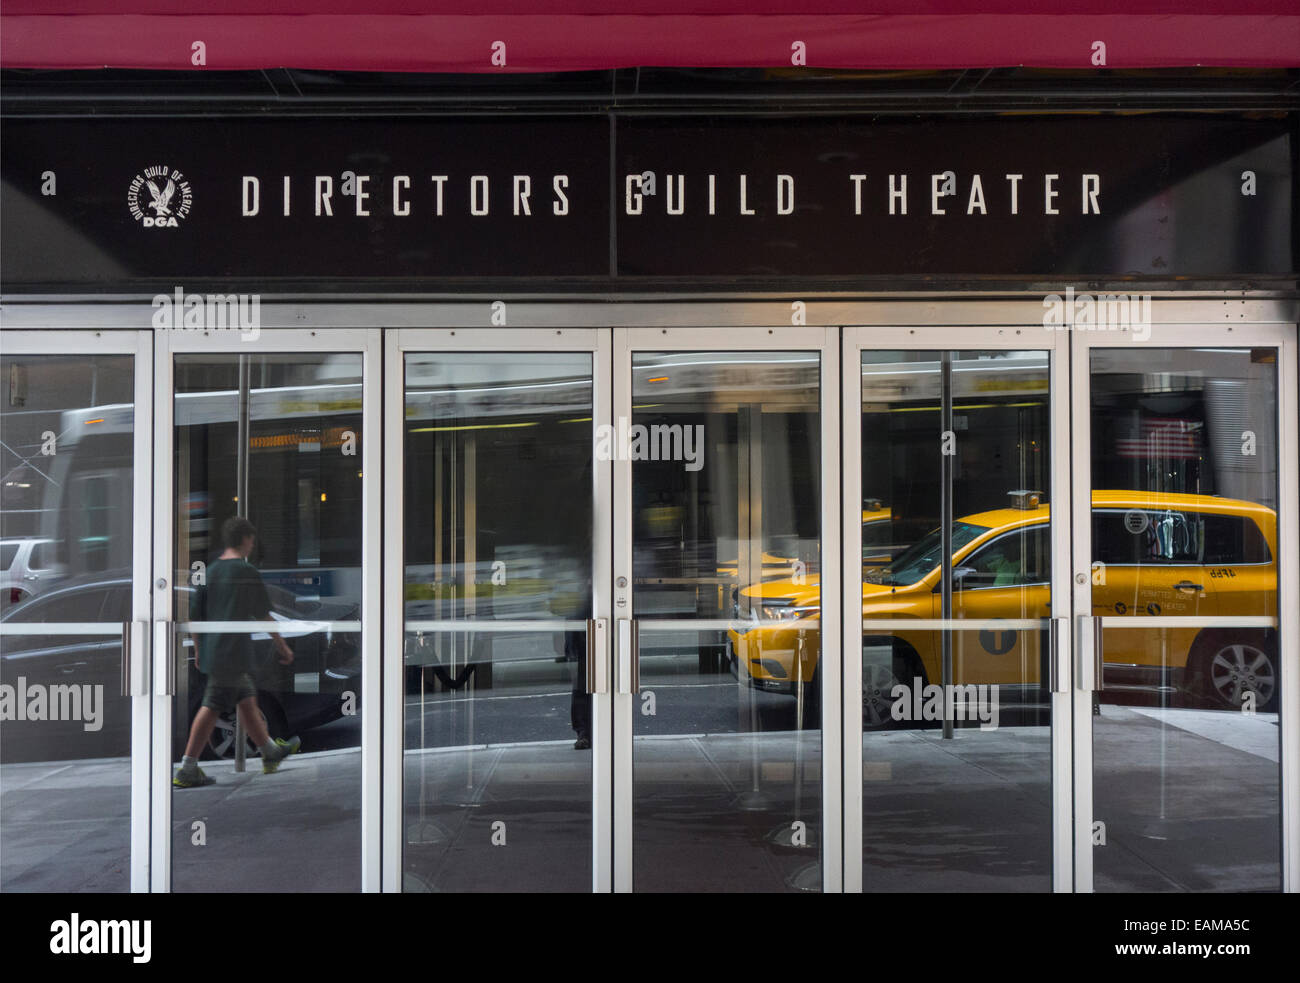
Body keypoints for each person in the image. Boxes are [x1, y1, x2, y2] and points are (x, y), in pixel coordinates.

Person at [173, 516, 301, 788]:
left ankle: (269, 752)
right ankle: (187, 768)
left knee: (246, 699)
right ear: (245, 540)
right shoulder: (246, 573)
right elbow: (265, 616)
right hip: (232, 654)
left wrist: (198, 649)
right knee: (211, 706)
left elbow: (196, 616)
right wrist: (282, 646)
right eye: (252, 540)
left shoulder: (211, 571)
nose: (252, 545)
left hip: (215, 652)